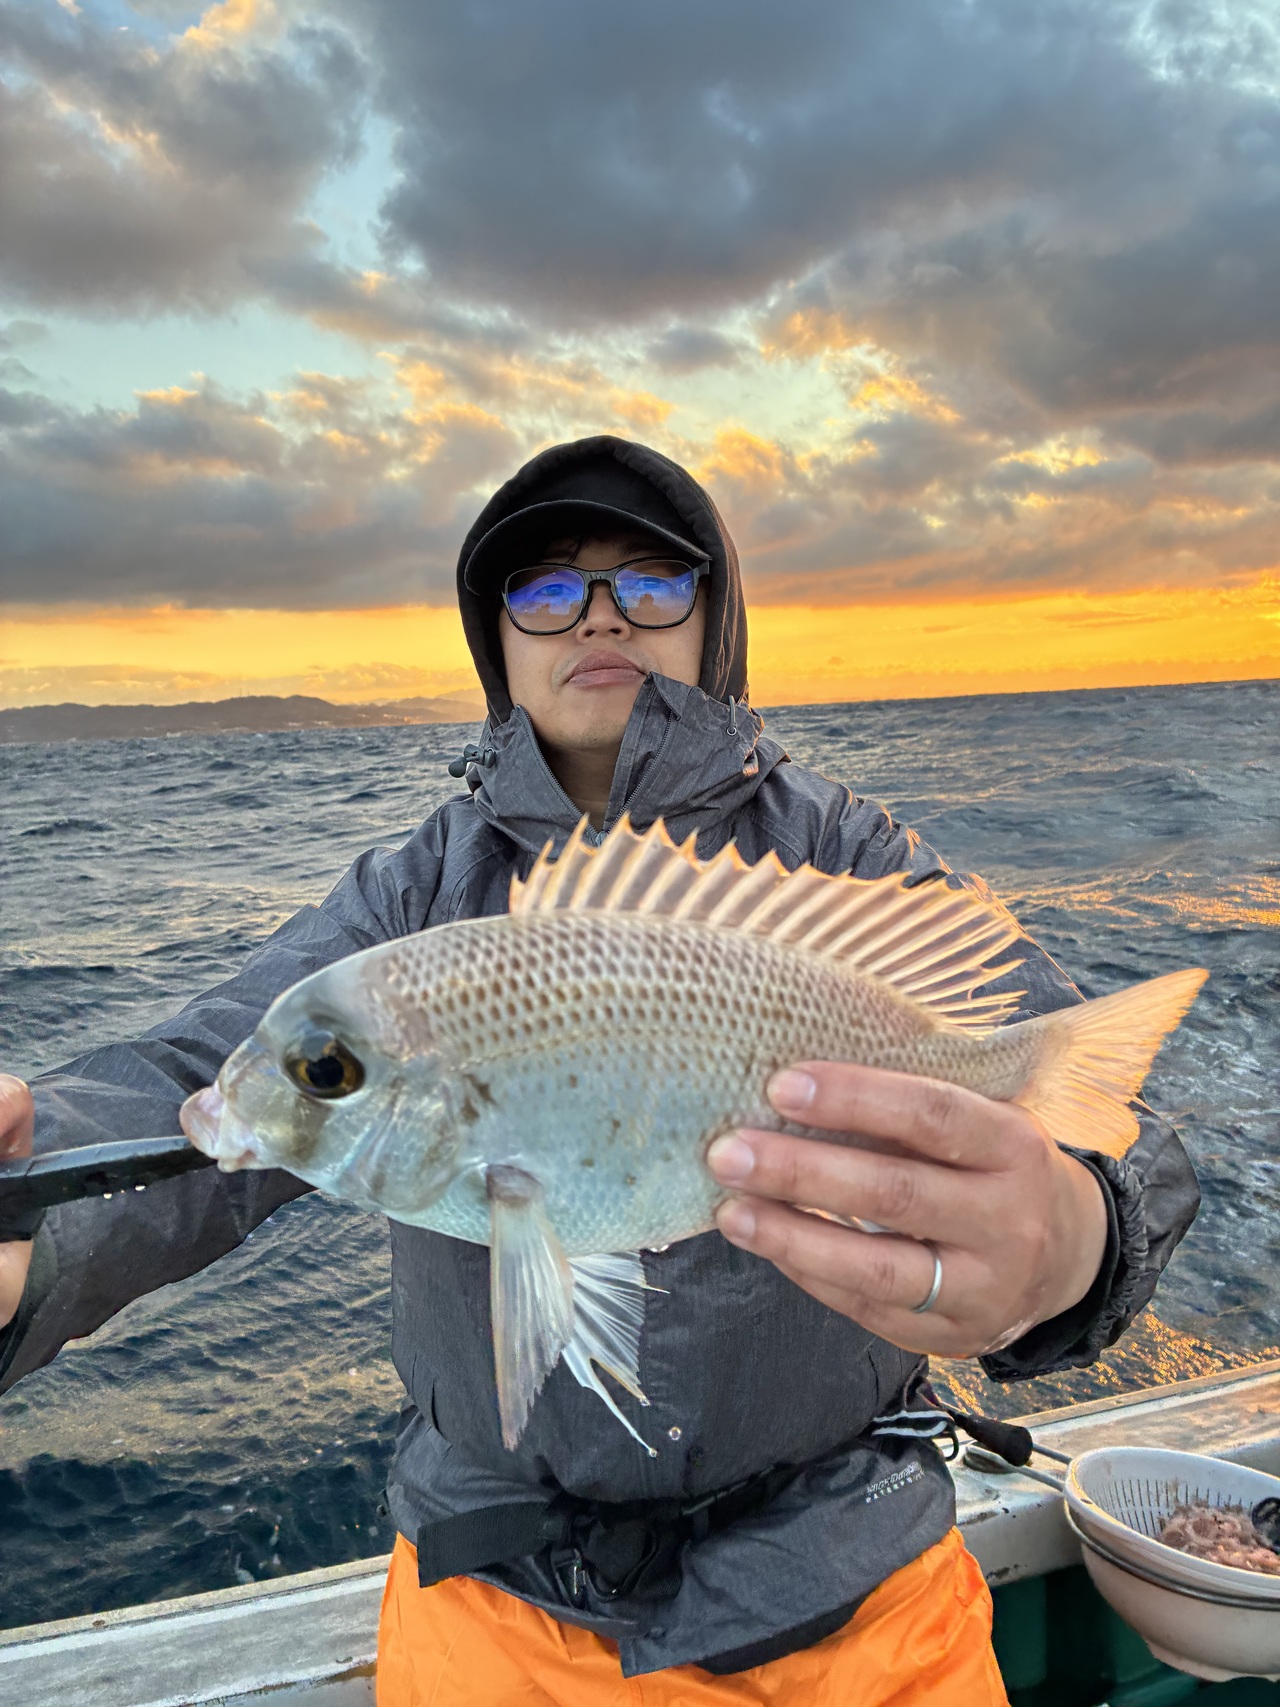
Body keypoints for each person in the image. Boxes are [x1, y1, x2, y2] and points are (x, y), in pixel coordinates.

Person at [0, 435, 1198, 1705]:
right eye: (544, 587)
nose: (598, 615)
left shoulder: (847, 856)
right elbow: (207, 1074)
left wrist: (1069, 1245)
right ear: (497, 639)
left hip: (854, 1601)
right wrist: (34, 1223)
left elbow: (1121, 1144)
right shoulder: (413, 898)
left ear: (714, 619)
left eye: (651, 579)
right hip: (490, 1610)